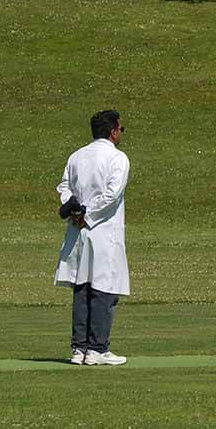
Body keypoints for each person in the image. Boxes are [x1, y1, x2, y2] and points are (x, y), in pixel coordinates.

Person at [55, 110, 130, 366]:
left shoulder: (76, 156)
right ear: (112, 131)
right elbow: (112, 194)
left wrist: (76, 211)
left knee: (82, 287)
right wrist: (86, 214)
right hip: (102, 231)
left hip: (78, 230)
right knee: (102, 289)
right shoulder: (118, 159)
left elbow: (64, 188)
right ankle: (97, 349)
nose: (121, 133)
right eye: (121, 129)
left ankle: (79, 349)